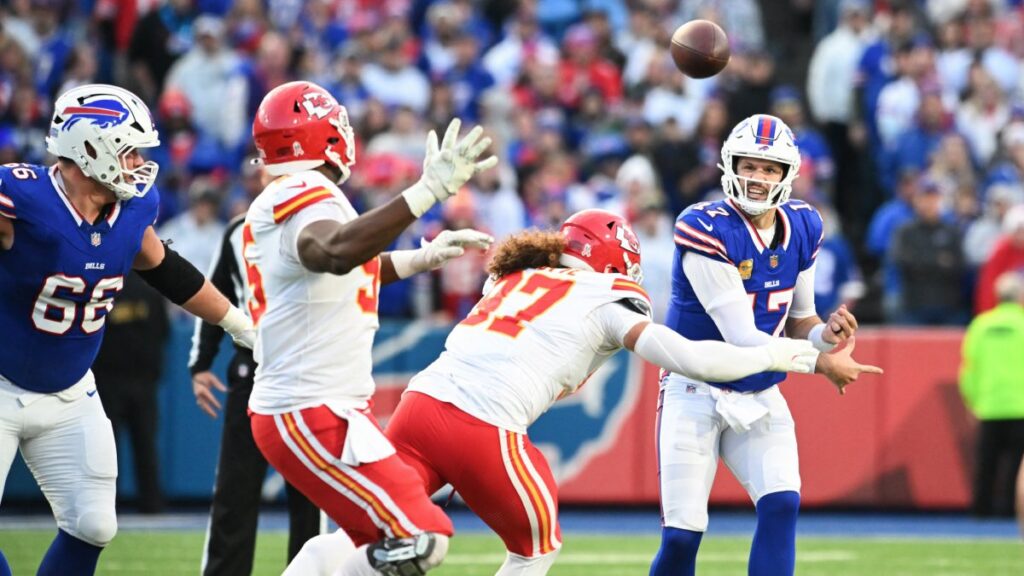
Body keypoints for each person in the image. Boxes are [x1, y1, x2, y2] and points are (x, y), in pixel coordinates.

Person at [288, 209, 879, 576]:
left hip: (418, 408)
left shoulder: (514, 274)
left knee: (368, 535)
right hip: (484, 426)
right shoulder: (606, 298)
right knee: (535, 549)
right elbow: (695, 358)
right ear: (614, 262)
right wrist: (800, 355)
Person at [243, 81, 497, 576]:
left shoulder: (294, 194)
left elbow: (334, 267)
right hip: (310, 407)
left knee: (355, 543)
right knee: (420, 536)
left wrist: (420, 257)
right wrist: (425, 193)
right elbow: (332, 252)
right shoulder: (305, 190)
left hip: (314, 406)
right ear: (323, 133)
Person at [0, 84, 254, 576]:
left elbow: (165, 269)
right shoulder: (22, 197)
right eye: (129, 148)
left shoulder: (132, 209)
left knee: (94, 525)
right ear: (89, 147)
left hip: (71, 390)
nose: (138, 161)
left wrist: (239, 323)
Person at [650, 113, 879, 576]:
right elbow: (741, 338)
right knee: (681, 536)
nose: (756, 178)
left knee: (781, 505)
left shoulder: (805, 225)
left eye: (769, 169)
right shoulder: (705, 225)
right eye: (748, 165)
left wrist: (827, 336)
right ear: (729, 164)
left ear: (787, 175)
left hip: (757, 391)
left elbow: (800, 320)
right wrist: (820, 364)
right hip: (696, 387)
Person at [189, 204, 320, 574]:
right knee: (235, 488)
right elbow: (213, 295)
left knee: (313, 492)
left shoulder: (325, 219)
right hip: (254, 366)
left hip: (309, 368)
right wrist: (201, 363)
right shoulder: (238, 229)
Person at [92, 272, 169, 514]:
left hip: (109, 379)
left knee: (107, 448)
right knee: (145, 445)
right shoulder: (151, 291)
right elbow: (163, 332)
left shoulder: (102, 290)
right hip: (142, 380)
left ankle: (104, 506)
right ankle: (152, 503)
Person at [959, 271, 1024, 518]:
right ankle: (1011, 511)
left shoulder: (981, 325)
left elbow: (968, 370)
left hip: (989, 405)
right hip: (1020, 406)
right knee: (1017, 468)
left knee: (987, 464)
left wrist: (972, 402)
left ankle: (981, 511)